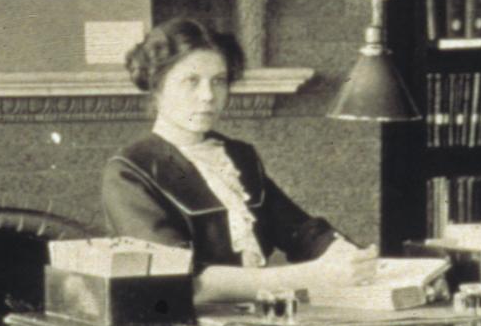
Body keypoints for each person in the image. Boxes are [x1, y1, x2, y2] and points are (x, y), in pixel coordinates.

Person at [102, 18, 378, 306]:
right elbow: (186, 281)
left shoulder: (238, 156)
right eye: (191, 81)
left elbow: (302, 232)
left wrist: (349, 257)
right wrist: (313, 275)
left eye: (218, 81)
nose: (208, 96)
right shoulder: (130, 171)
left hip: (253, 321)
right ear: (157, 88)